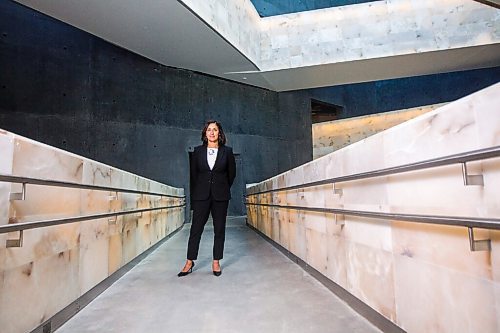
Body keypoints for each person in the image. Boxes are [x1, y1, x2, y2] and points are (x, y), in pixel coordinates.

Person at [178, 120, 236, 277]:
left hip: (220, 196)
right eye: (209, 130)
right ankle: (189, 261)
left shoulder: (227, 152)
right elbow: (194, 176)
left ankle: (216, 261)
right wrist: (201, 189)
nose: (212, 132)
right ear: (205, 133)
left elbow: (231, 175)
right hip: (201, 195)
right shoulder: (197, 152)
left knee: (219, 229)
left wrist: (221, 187)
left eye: (215, 130)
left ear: (219, 133)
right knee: (196, 229)